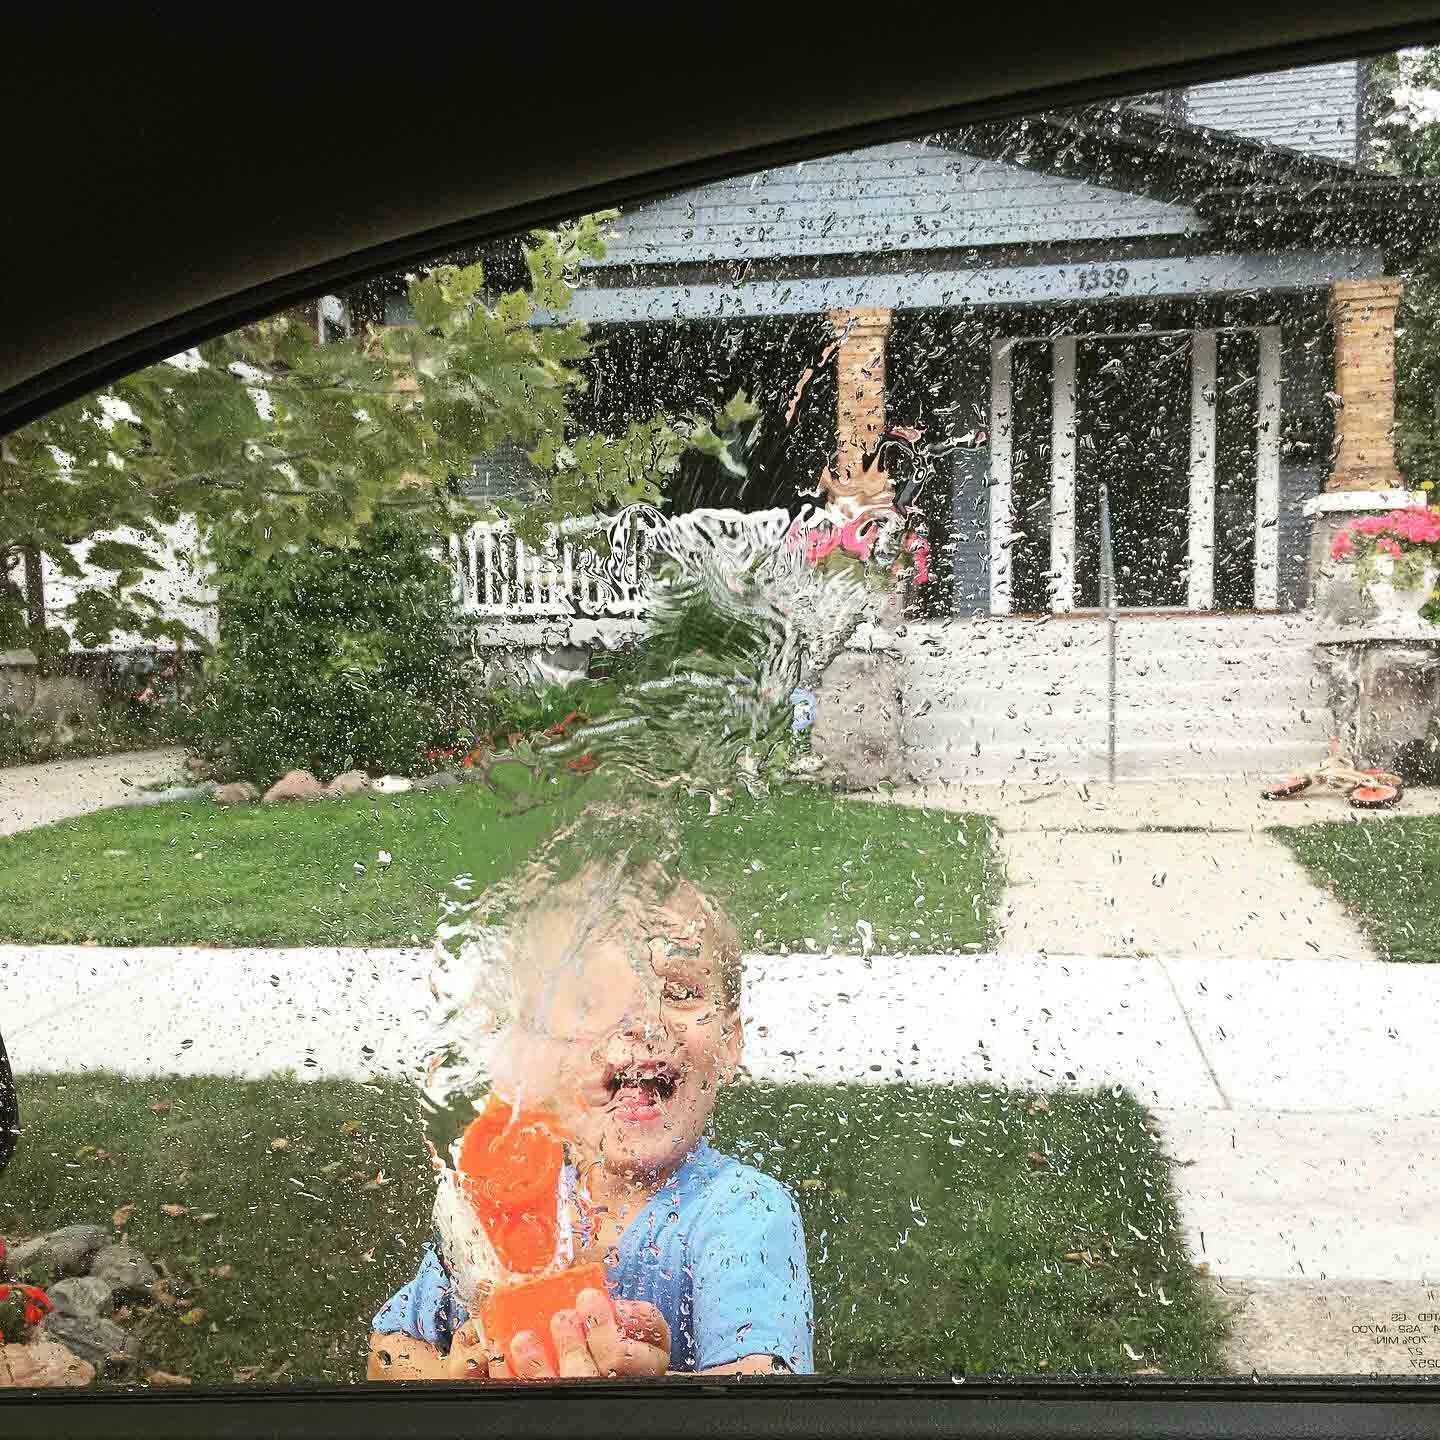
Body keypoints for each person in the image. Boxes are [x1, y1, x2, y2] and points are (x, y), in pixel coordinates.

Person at [368, 847, 814, 1381]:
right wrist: (449, 1377)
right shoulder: (514, 1195)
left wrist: (649, 1393)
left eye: (678, 991)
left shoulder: (741, 1213)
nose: (644, 1023)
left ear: (731, 1042)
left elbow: (768, 1398)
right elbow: (388, 1350)